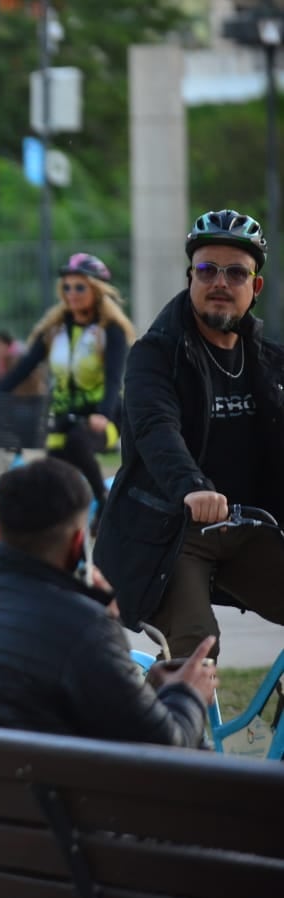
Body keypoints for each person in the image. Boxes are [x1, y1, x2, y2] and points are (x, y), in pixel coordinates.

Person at [0, 458, 215, 747]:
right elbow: (163, 744)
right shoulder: (82, 630)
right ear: (77, 544)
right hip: (42, 801)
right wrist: (187, 693)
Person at [95, 209, 284, 661]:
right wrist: (194, 488)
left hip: (248, 529)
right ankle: (174, 731)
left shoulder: (270, 362)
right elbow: (157, 431)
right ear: (191, 278)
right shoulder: (155, 355)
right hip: (171, 534)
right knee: (198, 643)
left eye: (236, 272)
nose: (221, 281)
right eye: (207, 269)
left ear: (254, 287)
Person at [0, 253, 136, 521]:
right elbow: (24, 367)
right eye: (66, 287)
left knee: (77, 442)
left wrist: (102, 415)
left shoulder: (110, 330)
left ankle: (104, 501)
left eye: (79, 287)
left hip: (103, 420)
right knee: (51, 477)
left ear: (96, 290)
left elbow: (115, 377)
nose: (72, 293)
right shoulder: (54, 330)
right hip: (62, 418)